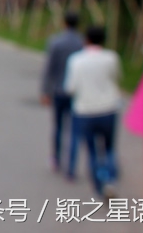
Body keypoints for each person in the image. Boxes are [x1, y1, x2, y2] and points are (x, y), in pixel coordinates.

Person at [64, 25, 122, 197]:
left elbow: (70, 88)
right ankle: (110, 180)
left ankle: (99, 185)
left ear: (86, 39)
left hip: (85, 111)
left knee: (92, 151)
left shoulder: (76, 60)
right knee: (109, 149)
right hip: (109, 108)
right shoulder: (111, 58)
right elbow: (117, 77)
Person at [41, 11, 84, 173]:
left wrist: (45, 91)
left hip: (59, 90)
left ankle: (56, 158)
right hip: (77, 93)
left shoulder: (55, 42)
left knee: (58, 127)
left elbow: (48, 68)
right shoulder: (82, 43)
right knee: (74, 129)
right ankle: (71, 165)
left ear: (64, 23)